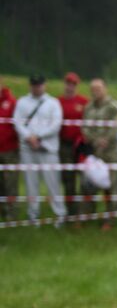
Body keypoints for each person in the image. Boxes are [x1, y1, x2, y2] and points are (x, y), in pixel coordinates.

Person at [15, 74, 67, 221]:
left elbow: (56, 124)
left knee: (53, 183)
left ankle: (60, 215)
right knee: (31, 184)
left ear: (44, 85)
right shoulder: (22, 102)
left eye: (39, 85)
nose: (36, 88)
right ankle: (33, 215)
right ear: (30, 85)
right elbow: (17, 123)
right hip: (28, 149)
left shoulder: (53, 102)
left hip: (48, 148)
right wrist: (29, 137)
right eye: (34, 85)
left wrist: (38, 136)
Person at [81, 78, 117, 225]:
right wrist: (94, 140)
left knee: (111, 188)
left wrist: (105, 139)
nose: (96, 92)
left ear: (105, 88)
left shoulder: (114, 106)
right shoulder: (88, 107)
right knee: (88, 186)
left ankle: (110, 221)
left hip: (111, 154)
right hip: (94, 154)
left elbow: (116, 126)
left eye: (98, 88)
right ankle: (87, 216)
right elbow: (84, 127)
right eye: (93, 89)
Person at [58, 71, 88, 209]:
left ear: (77, 86)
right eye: (68, 84)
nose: (70, 87)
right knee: (68, 177)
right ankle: (71, 209)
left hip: (80, 144)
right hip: (64, 144)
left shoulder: (84, 102)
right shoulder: (58, 101)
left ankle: (84, 209)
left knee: (84, 176)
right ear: (64, 84)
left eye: (73, 84)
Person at [0, 83, 21, 219]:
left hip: (10, 150)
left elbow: (18, 125)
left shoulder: (12, 102)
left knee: (10, 182)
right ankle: (2, 210)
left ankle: (12, 213)